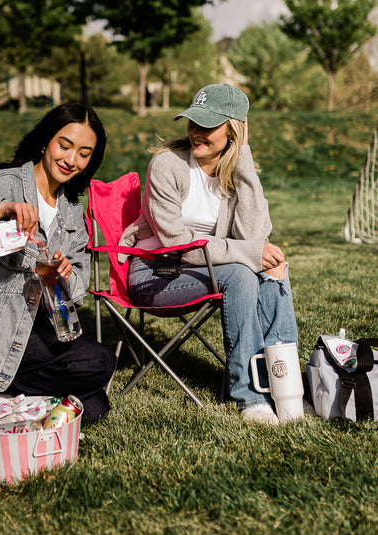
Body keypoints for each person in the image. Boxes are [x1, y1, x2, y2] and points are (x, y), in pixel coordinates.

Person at [0, 102, 116, 425]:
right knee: (98, 362)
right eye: (64, 146)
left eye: (84, 154)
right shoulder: (2, 186)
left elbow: (79, 286)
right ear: (46, 141)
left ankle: (1, 397)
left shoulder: (72, 212)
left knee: (96, 403)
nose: (71, 160)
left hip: (34, 326)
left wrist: (66, 277)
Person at [119, 83, 299, 425]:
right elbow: (177, 243)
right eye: (192, 122)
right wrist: (250, 253)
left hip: (205, 269)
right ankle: (249, 396)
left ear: (234, 130)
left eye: (208, 125)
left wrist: (244, 162)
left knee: (275, 268)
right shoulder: (167, 165)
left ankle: (285, 387)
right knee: (241, 272)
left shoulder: (237, 170)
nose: (196, 133)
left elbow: (254, 235)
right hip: (155, 273)